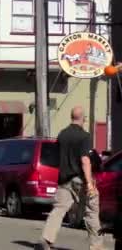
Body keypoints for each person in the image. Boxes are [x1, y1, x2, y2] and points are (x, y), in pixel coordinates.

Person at [37, 106, 104, 250]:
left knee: (58, 211)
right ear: (83, 118)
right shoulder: (84, 136)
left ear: (71, 117)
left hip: (64, 180)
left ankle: (46, 239)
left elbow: (57, 157)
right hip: (80, 180)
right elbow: (85, 160)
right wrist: (90, 185)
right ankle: (96, 246)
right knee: (91, 212)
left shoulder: (62, 135)